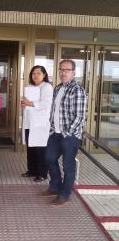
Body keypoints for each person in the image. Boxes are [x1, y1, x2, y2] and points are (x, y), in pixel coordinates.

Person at [43, 59, 87, 206]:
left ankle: (64, 193)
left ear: (73, 72)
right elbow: (54, 111)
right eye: (61, 69)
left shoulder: (77, 90)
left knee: (68, 165)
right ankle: (55, 186)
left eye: (67, 70)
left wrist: (67, 133)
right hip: (55, 132)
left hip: (70, 135)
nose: (63, 72)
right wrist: (51, 128)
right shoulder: (57, 88)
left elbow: (80, 116)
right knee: (49, 158)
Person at [21, 65, 53, 182]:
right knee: (30, 148)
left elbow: (45, 103)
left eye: (38, 73)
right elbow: (28, 103)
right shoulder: (29, 87)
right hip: (29, 122)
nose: (35, 75)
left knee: (40, 149)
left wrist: (30, 103)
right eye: (33, 73)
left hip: (40, 124)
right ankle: (32, 170)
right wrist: (24, 104)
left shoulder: (47, 87)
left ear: (44, 75)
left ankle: (42, 173)